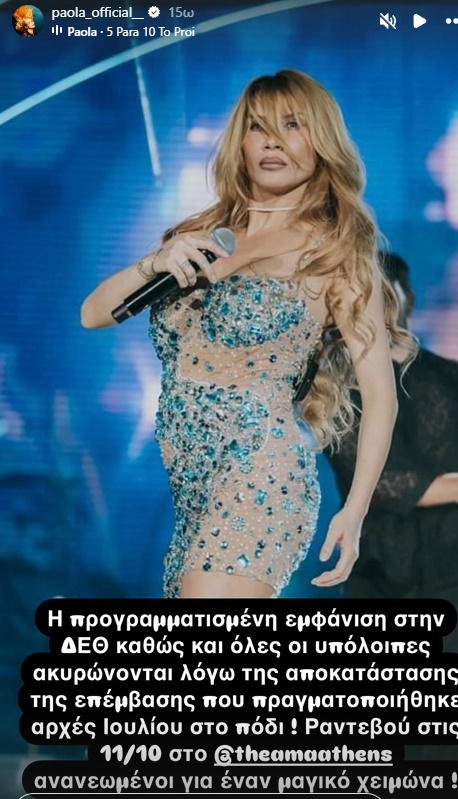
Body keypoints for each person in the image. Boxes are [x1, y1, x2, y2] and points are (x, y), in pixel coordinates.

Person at [81, 69, 411, 600]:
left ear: (321, 142)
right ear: (241, 141)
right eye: (258, 127)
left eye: (292, 125)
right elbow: (93, 314)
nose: (272, 141)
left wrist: (355, 510)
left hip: (261, 477)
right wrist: (154, 263)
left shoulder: (335, 253)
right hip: (191, 494)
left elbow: (380, 395)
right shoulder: (201, 237)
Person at [327, 251, 458, 767]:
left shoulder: (455, 379)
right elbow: (386, 487)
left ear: (406, 299)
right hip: (378, 580)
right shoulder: (336, 390)